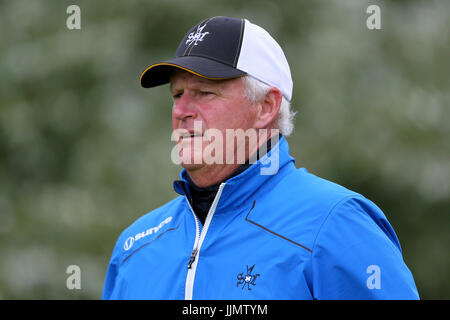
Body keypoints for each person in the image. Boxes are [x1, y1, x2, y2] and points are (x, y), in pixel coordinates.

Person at [102, 16, 419, 300]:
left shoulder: (336, 224)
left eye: (205, 93)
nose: (181, 112)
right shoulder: (134, 247)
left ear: (266, 107)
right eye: (177, 95)